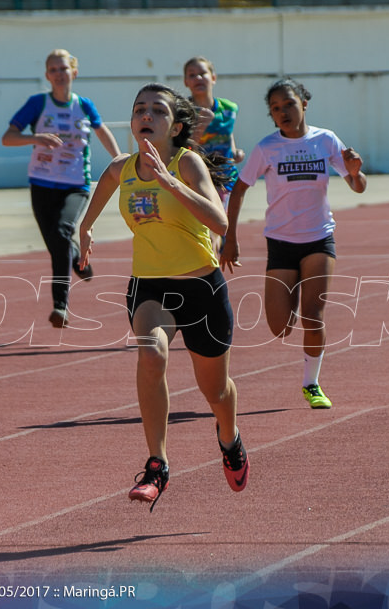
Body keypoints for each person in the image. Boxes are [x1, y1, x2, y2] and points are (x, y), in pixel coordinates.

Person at [77, 83, 249, 510]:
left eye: (157, 110)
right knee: (150, 354)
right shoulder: (121, 168)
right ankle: (158, 464)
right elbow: (95, 204)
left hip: (201, 288)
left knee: (216, 393)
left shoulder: (186, 163)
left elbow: (221, 221)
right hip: (150, 287)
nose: (146, 116)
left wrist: (170, 182)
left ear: (175, 126)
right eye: (139, 109)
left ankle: (229, 437)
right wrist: (84, 231)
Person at [221, 78, 367, 410]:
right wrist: (230, 238)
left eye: (289, 104)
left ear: (304, 104)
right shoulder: (266, 148)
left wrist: (356, 173)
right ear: (271, 115)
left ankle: (311, 383)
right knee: (280, 327)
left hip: (318, 238)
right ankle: (293, 293)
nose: (283, 112)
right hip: (281, 242)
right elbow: (240, 188)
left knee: (312, 316)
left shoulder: (325, 140)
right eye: (275, 108)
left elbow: (357, 186)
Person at [1, 49, 121, 328]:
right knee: (58, 243)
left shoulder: (85, 105)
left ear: (74, 73)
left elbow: (102, 131)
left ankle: (60, 306)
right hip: (41, 183)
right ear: (47, 75)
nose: (58, 74)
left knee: (62, 232)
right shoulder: (37, 104)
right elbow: (8, 138)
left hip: (76, 184)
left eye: (63, 68)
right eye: (53, 69)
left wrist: (119, 161)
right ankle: (78, 257)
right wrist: (36, 138)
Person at [183, 56, 245, 206]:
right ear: (186, 82)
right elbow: (182, 148)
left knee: (226, 226)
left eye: (203, 73)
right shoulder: (182, 111)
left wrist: (235, 151)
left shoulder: (229, 108)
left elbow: (227, 131)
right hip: (198, 178)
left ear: (213, 78)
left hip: (227, 179)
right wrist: (200, 127)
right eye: (192, 75)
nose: (198, 77)